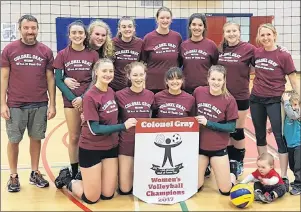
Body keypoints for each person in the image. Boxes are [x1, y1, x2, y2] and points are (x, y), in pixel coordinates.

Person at [54, 58, 137, 204]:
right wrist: (123, 126)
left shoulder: (111, 91)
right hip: (91, 148)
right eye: (104, 71)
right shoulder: (90, 96)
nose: (108, 74)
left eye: (110, 71)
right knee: (92, 198)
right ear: (96, 72)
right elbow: (95, 129)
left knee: (108, 194)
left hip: (110, 148)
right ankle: (68, 179)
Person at [1, 14, 56, 192]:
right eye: (26, 28)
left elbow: (50, 79)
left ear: (37, 29)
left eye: (33, 28)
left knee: (36, 139)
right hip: (15, 104)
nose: (30, 31)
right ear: (20, 29)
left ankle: (34, 172)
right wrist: (2, 103)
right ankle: (13, 175)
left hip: (40, 103)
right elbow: (3, 77)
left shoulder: (46, 51)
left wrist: (53, 104)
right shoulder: (9, 50)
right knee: (14, 140)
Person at [250, 23, 300, 191]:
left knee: (279, 137)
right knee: (260, 135)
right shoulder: (256, 52)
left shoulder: (283, 55)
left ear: (274, 35)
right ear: (259, 37)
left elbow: (293, 78)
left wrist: (299, 99)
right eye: (262, 35)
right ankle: (263, 170)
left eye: (268, 34)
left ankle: (284, 175)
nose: (265, 38)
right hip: (256, 98)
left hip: (274, 100)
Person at [53, 21, 99, 179]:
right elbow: (58, 80)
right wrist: (74, 99)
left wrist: (83, 98)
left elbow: (95, 79)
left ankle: (86, 168)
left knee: (89, 135)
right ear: (69, 35)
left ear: (85, 35)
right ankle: (74, 170)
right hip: (70, 102)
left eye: (80, 33)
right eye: (74, 33)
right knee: (74, 136)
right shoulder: (62, 54)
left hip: (89, 100)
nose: (77, 35)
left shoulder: (93, 54)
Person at [218, 21, 256, 176]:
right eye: (228, 31)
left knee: (237, 130)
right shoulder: (220, 49)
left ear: (239, 32)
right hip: (222, 96)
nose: (231, 34)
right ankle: (228, 160)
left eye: (234, 31)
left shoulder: (249, 49)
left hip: (240, 96)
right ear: (224, 33)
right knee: (225, 130)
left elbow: (261, 63)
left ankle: (238, 161)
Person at [194, 65, 238, 195]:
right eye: (213, 79)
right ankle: (204, 173)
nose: (216, 83)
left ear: (224, 80)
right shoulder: (198, 92)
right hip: (200, 149)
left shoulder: (229, 99)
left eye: (219, 80)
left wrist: (208, 123)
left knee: (225, 190)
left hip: (218, 149)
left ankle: (233, 172)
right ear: (208, 79)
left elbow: (231, 127)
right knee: (194, 187)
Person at [115, 61, 154, 195]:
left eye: (141, 75)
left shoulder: (151, 95)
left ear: (145, 75)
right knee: (125, 189)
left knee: (143, 186)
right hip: (126, 144)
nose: (138, 78)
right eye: (135, 75)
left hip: (145, 145)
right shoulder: (119, 95)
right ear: (129, 76)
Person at [63, 20, 114, 91]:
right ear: (89, 34)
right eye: (97, 34)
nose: (100, 38)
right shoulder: (80, 48)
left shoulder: (108, 51)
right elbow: (62, 72)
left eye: (103, 35)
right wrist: (64, 79)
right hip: (81, 91)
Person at [141, 6, 182, 94]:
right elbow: (143, 61)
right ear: (157, 19)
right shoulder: (148, 38)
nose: (165, 20)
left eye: (168, 18)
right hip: (153, 85)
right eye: (162, 18)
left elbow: (180, 60)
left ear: (171, 19)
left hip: (172, 85)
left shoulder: (177, 37)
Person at [180, 13, 219, 94]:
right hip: (186, 89)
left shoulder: (211, 45)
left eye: (200, 25)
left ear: (204, 27)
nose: (197, 28)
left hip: (205, 90)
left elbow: (217, 67)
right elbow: (178, 65)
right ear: (189, 26)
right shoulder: (183, 45)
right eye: (194, 24)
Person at [110, 16, 144, 91]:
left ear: (134, 28)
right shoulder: (112, 43)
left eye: (129, 26)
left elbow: (143, 63)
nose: (127, 29)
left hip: (134, 85)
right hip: (115, 86)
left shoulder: (140, 43)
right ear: (119, 29)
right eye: (124, 27)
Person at [282, 91, 300, 195]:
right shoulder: (288, 115)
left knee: (298, 167)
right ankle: (298, 182)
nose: (293, 107)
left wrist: (286, 103)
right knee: (292, 166)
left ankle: (299, 185)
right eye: (291, 105)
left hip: (299, 145)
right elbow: (286, 124)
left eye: (295, 104)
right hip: (290, 145)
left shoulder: (297, 114)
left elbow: (293, 115)